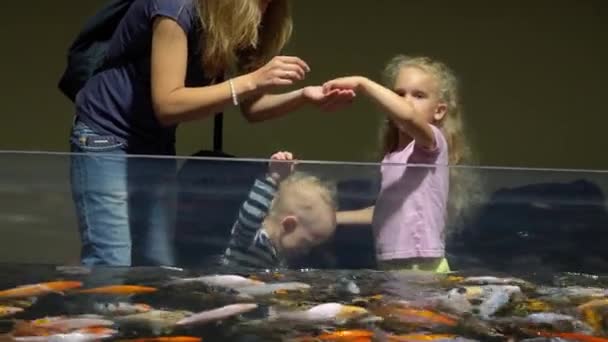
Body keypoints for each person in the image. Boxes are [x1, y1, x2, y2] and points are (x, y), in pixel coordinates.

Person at [69, 0, 354, 267]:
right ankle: (100, 317)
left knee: (158, 261)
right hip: (104, 134)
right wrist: (253, 79)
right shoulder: (177, 6)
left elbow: (252, 108)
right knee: (110, 260)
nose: (264, 9)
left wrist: (303, 96)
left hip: (155, 145)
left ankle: (138, 320)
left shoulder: (235, 21)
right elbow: (168, 104)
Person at [323, 55, 474, 273]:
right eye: (399, 94)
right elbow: (389, 209)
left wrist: (363, 83)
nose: (406, 100)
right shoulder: (394, 156)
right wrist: (333, 218)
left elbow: (409, 117)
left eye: (419, 95)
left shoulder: (432, 144)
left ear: (439, 111)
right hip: (394, 263)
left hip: (420, 264)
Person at [223, 151, 338, 269]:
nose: (306, 252)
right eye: (306, 244)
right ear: (289, 225)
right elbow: (250, 215)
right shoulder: (251, 238)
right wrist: (273, 179)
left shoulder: (280, 252)